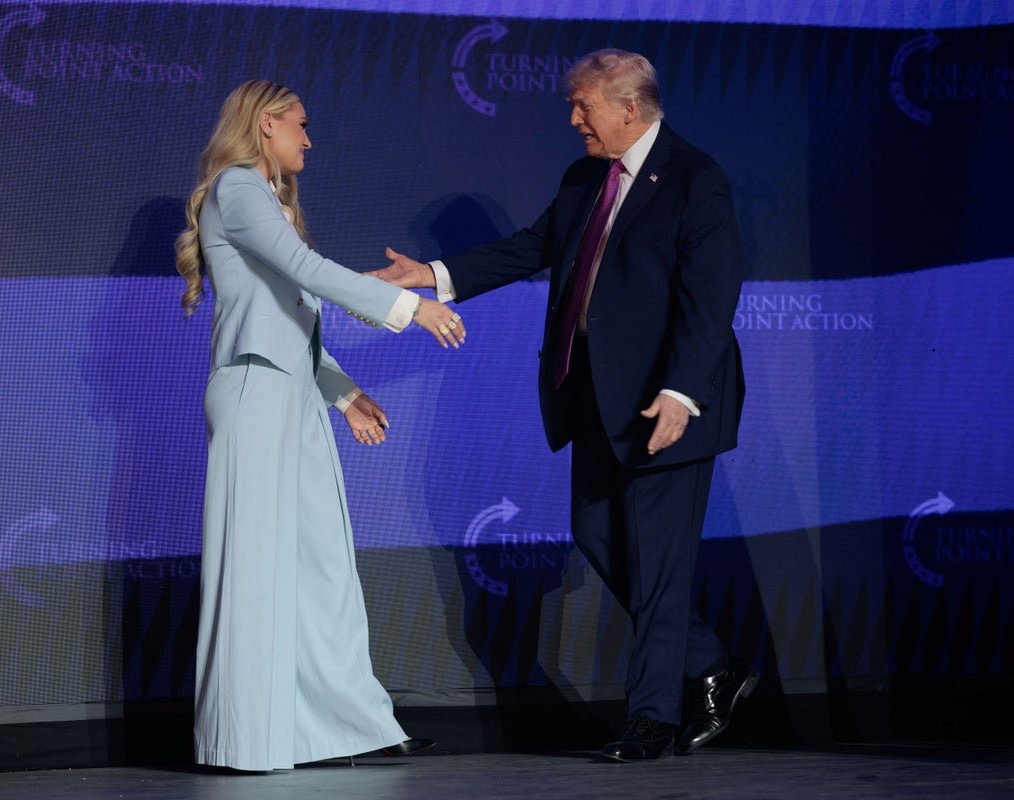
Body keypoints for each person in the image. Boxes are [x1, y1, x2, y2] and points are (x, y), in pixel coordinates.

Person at [373, 50, 756, 762]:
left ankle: (652, 721)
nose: (573, 119)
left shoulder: (696, 180)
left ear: (628, 109)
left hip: (666, 403)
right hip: (596, 401)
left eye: (583, 107)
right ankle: (712, 664)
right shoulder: (586, 178)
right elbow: (532, 249)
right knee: (597, 535)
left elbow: (710, 303)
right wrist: (432, 274)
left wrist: (682, 393)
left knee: (661, 564)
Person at [175, 79, 456, 772]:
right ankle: (246, 742)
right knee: (260, 572)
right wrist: (406, 306)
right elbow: (304, 272)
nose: (308, 137)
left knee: (321, 568)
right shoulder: (238, 187)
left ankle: (347, 727)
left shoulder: (262, 199)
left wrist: (342, 391)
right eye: (300, 124)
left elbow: (293, 306)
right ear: (266, 124)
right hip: (254, 391)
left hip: (289, 393)